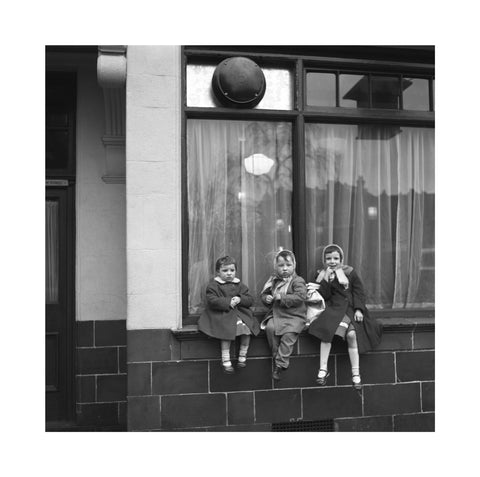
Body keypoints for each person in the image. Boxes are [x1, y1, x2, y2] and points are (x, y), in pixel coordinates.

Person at [307, 244, 382, 390]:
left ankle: (356, 374)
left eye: (336, 258)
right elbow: (325, 295)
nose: (332, 261)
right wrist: (326, 280)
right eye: (328, 258)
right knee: (326, 333)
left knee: (352, 335)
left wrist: (359, 309)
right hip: (334, 309)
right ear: (324, 260)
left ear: (341, 259)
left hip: (350, 309)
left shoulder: (350, 272)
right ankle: (323, 369)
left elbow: (359, 292)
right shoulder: (323, 274)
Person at [197, 255, 260, 374]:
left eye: (232, 270)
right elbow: (212, 300)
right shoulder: (214, 286)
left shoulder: (240, 285)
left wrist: (240, 299)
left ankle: (243, 355)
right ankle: (225, 359)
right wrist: (227, 302)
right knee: (226, 331)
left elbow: (250, 299)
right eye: (225, 270)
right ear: (218, 272)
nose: (229, 273)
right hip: (222, 314)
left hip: (239, 314)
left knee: (247, 330)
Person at [260, 249, 307, 381]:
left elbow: (300, 296)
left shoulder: (297, 280)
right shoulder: (274, 280)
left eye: (288, 265)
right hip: (277, 314)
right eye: (281, 266)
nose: (285, 269)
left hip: (294, 316)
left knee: (288, 335)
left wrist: (282, 297)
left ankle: (281, 364)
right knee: (270, 328)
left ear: (294, 266)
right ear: (276, 267)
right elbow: (264, 294)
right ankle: (276, 356)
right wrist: (266, 298)